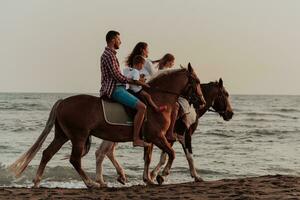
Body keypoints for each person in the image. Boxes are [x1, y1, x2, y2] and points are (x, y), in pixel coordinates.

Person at [100, 30, 149, 147]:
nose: (120, 42)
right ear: (113, 40)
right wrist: (136, 82)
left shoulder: (110, 54)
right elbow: (117, 76)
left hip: (118, 87)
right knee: (142, 107)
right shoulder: (109, 55)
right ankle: (136, 139)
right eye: (118, 39)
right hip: (114, 89)